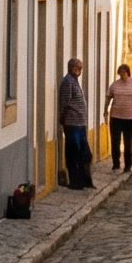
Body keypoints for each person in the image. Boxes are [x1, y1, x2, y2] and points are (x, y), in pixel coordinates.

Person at [58, 58, 93, 190]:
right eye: (77, 67)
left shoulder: (74, 81)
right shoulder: (67, 81)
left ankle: (84, 180)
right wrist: (63, 119)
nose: (79, 70)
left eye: (80, 68)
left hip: (79, 123)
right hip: (72, 124)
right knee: (74, 153)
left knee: (85, 154)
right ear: (70, 67)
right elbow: (65, 103)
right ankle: (75, 182)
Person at [106, 63, 132, 172]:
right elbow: (108, 97)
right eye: (120, 73)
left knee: (128, 143)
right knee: (115, 142)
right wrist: (105, 110)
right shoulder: (115, 85)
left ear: (128, 72)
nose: (122, 74)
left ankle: (128, 165)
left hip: (130, 118)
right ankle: (116, 164)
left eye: (124, 72)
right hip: (115, 117)